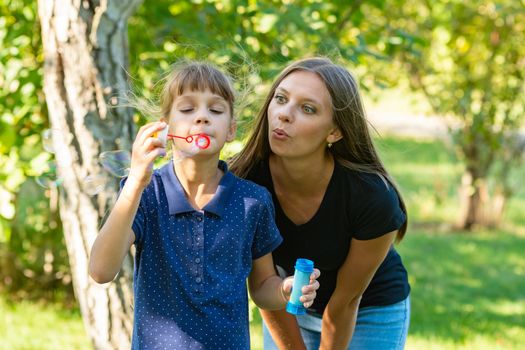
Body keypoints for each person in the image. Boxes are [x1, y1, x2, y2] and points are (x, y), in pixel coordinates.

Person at [88, 61, 320, 350]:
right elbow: (100, 271)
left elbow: (262, 289)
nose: (202, 118)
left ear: (231, 129)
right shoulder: (147, 193)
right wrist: (136, 180)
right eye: (187, 109)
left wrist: (285, 290)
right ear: (165, 127)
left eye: (216, 110)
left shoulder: (252, 201)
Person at [230, 57, 410, 350]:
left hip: (369, 309)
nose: (284, 115)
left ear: (334, 132)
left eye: (308, 108)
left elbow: (346, 301)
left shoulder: (372, 197)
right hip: (286, 302)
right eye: (281, 99)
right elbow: (264, 284)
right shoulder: (244, 184)